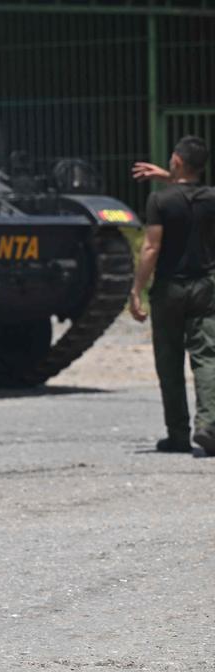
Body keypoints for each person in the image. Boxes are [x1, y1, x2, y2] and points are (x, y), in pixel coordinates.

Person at [130, 136, 215, 456]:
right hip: (205, 286)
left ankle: (177, 434)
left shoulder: (160, 201)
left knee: (169, 360)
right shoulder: (211, 198)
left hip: (169, 288)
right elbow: (194, 194)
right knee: (207, 356)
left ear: (177, 162)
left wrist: (137, 289)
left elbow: (151, 248)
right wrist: (172, 178)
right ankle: (208, 425)